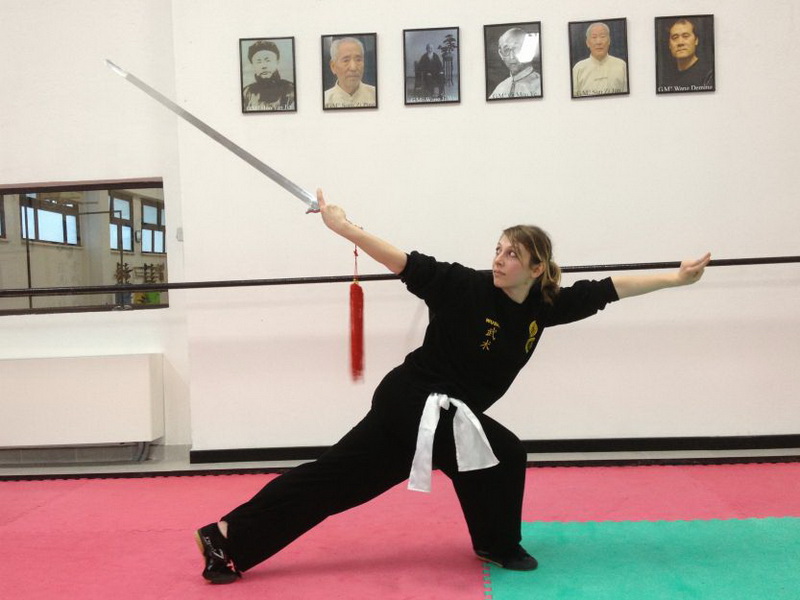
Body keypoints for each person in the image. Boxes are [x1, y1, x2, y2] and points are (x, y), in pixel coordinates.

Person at [195, 188, 712, 584]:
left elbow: (608, 289)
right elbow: (402, 262)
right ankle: (497, 544)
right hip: (413, 401)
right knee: (501, 452)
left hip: (439, 415)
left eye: (512, 254)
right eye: (498, 249)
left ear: (536, 268)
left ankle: (224, 538)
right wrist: (344, 227)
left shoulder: (543, 306)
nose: (499, 259)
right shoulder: (463, 287)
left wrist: (676, 278)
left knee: (336, 481)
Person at [572, 22, 628, 97]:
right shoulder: (578, 69)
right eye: (594, 37)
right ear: (587, 43)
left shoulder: (622, 66)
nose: (598, 42)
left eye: (602, 36)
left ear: (609, 41)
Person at [660, 18, 714, 89]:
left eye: (685, 36)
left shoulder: (709, 75)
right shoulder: (665, 80)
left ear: (696, 40)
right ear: (669, 45)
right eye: (675, 37)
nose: (680, 42)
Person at [242, 40, 295, 111]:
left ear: (277, 62)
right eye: (258, 62)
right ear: (253, 65)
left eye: (268, 60)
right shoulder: (246, 93)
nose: (264, 66)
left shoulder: (291, 90)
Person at [324, 37, 376, 109]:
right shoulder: (324, 100)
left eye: (358, 60)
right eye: (346, 60)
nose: (353, 68)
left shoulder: (376, 95)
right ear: (333, 66)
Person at [489, 28, 541, 99]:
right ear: (501, 54)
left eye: (517, 48)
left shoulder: (539, 85)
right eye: (506, 50)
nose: (512, 57)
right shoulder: (500, 89)